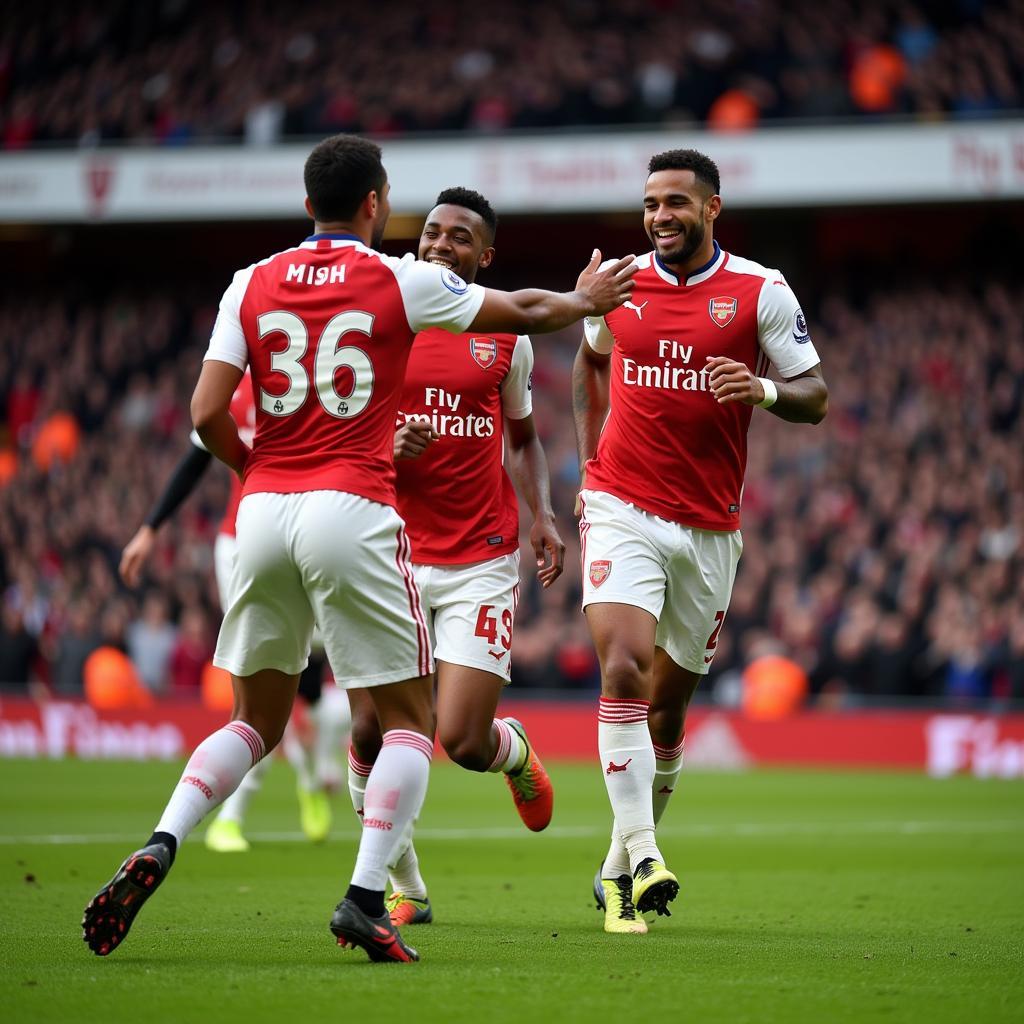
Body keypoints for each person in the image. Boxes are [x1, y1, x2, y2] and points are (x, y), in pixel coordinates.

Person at [82, 132, 636, 964]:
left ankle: (164, 837)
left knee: (255, 720)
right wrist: (586, 296)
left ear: (307, 203)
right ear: (377, 205)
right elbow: (532, 308)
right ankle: (370, 895)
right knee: (406, 727)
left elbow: (205, 418)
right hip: (358, 513)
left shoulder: (250, 280)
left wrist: (258, 472)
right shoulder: (396, 281)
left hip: (266, 513)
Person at [572, 148, 827, 934]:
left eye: (676, 203)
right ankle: (646, 854)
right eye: (651, 204)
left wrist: (762, 389)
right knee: (621, 664)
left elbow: (815, 397)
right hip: (622, 504)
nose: (660, 217)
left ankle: (617, 869)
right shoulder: (616, 284)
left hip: (710, 530)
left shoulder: (760, 291)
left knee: (668, 713)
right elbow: (588, 364)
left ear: (711, 208)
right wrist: (587, 470)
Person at [345, 187, 564, 927]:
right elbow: (334, 432)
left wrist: (543, 514)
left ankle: (513, 753)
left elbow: (525, 437)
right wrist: (384, 449)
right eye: (433, 232)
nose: (441, 245)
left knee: (462, 741)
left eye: (459, 238)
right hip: (389, 552)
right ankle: (406, 885)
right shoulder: (382, 317)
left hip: (480, 555)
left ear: (485, 255)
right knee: (371, 735)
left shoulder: (503, 332)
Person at [119, 373, 352, 852]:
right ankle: (235, 815)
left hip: (304, 541)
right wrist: (150, 529)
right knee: (260, 683)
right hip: (241, 546)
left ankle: (309, 779)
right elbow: (194, 459)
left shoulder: (320, 374)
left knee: (303, 678)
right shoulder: (235, 385)